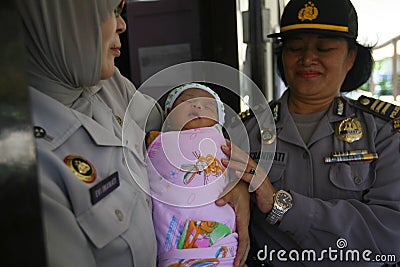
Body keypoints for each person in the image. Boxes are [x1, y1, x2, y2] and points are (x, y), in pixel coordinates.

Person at [16, 0, 250, 266]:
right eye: (112, 10)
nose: (123, 24)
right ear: (62, 16)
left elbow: (186, 135)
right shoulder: (27, 170)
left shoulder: (111, 87)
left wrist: (228, 181)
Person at [223, 0, 400, 266]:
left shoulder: (383, 131)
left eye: (324, 47)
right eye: (295, 47)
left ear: (351, 57)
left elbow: (392, 234)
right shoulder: (244, 132)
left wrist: (281, 206)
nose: (307, 59)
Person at [146, 83, 240, 266]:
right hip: (173, 245)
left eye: (208, 106)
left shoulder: (225, 147)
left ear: (219, 122)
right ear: (168, 114)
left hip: (220, 245)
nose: (197, 106)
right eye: (186, 101)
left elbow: (239, 177)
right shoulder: (155, 142)